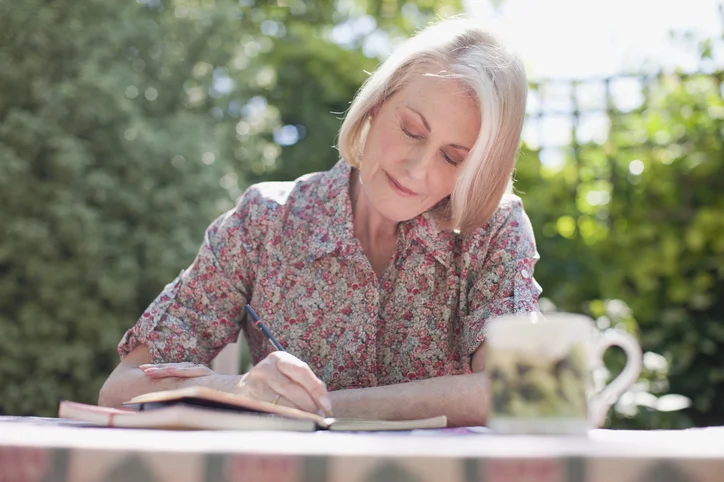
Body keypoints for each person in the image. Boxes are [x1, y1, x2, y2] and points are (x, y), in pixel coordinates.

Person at [98, 16, 542, 427]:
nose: (417, 170)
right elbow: (121, 390)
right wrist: (234, 389)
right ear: (374, 106)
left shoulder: (495, 232)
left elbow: (516, 390)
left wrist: (311, 407)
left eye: (452, 157)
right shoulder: (264, 222)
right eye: (410, 130)